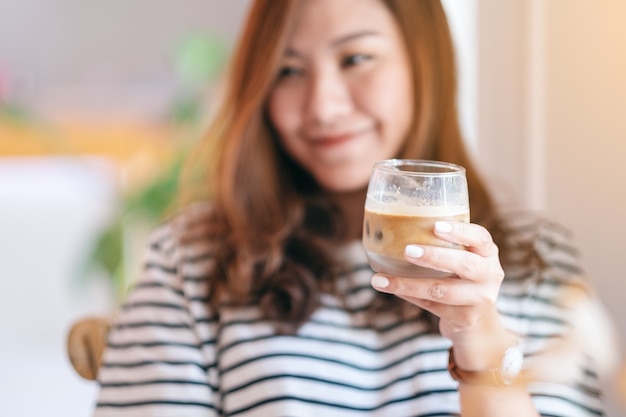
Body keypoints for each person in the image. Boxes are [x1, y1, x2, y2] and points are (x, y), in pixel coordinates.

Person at [93, 0, 619, 416]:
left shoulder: (534, 257)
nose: (323, 104)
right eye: (288, 70)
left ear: (423, 62)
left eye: (356, 59)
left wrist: (480, 339)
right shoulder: (191, 260)